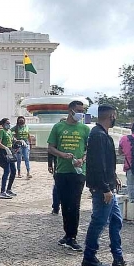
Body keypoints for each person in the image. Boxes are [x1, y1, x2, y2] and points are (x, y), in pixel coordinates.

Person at [82, 104, 125, 266]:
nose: (115, 119)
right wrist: (105, 187)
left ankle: (118, 256)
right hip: (102, 188)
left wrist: (113, 178)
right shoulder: (98, 135)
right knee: (99, 222)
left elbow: (106, 163)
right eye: (115, 116)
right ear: (111, 115)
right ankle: (89, 256)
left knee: (116, 220)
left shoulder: (102, 134)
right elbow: (97, 165)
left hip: (108, 185)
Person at [47, 100, 90, 252]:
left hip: (78, 173)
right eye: (78, 110)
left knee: (75, 204)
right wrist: (61, 154)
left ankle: (73, 236)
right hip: (62, 171)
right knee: (65, 204)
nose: (81, 113)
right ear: (70, 110)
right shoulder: (58, 127)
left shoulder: (85, 129)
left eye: (83, 111)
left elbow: (88, 149)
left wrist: (82, 160)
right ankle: (67, 234)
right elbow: (51, 148)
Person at [0, 118, 16, 199]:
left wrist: (19, 141)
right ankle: (2, 191)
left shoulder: (9, 131)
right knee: (7, 171)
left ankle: (9, 189)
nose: (9, 124)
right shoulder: (2, 131)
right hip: (4, 152)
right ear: (3, 124)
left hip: (10, 151)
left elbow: (13, 140)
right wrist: (5, 148)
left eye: (9, 123)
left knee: (13, 170)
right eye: (7, 123)